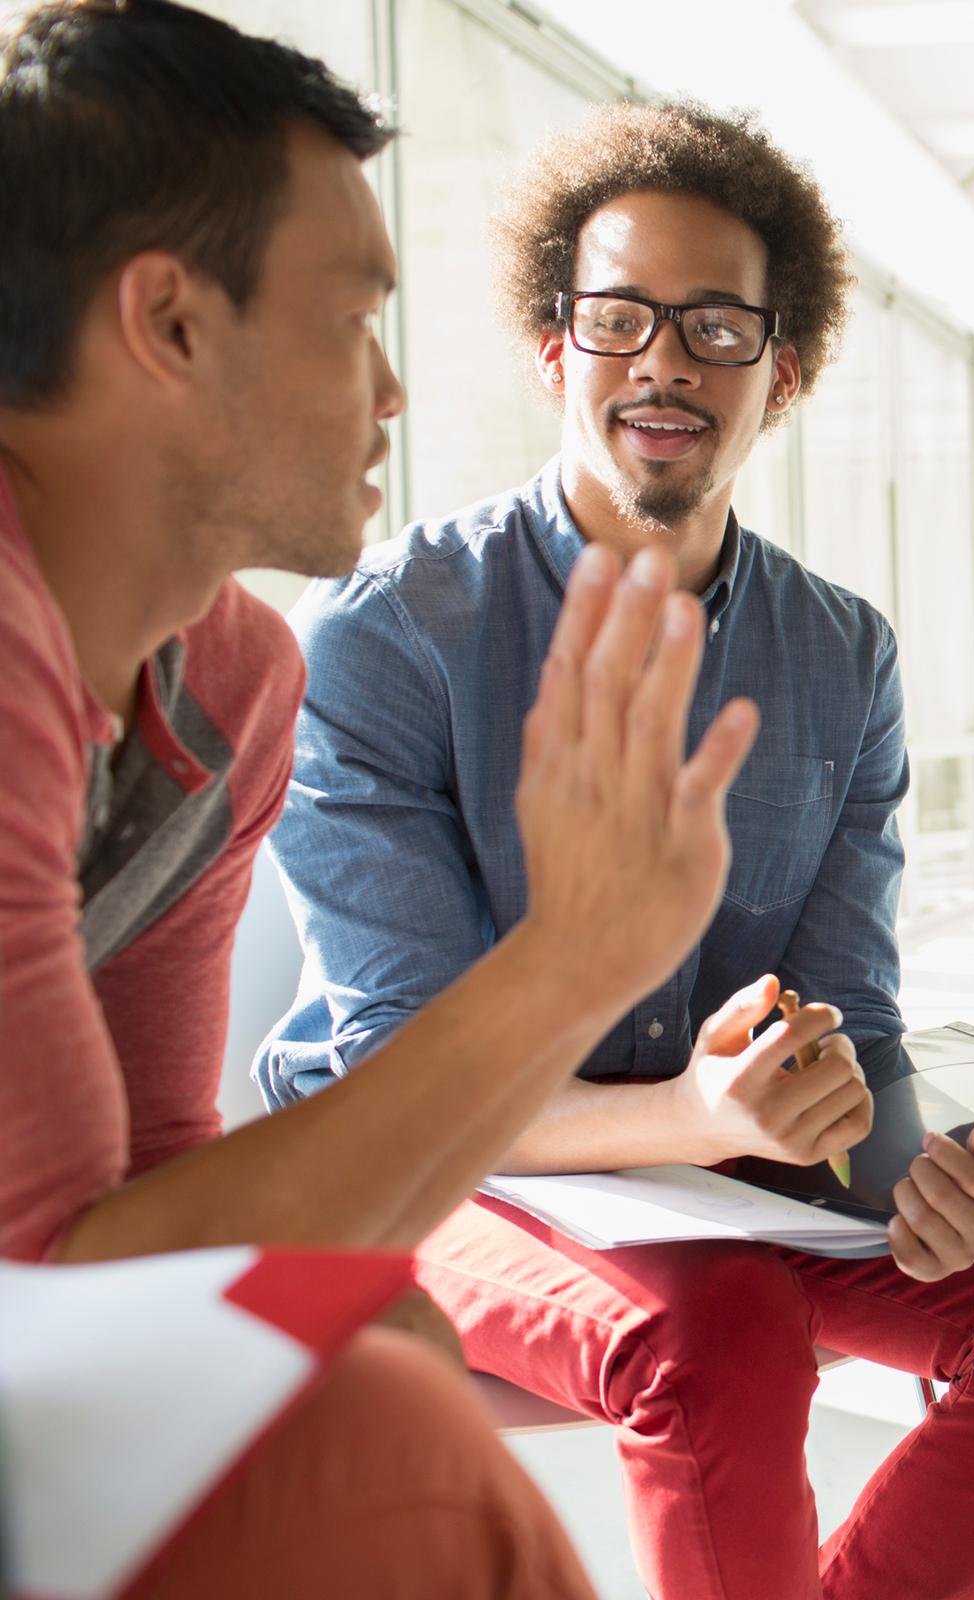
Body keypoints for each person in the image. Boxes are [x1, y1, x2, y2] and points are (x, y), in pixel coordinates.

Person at [252, 100, 974, 1600]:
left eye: (717, 326)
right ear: (556, 351)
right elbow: (408, 1083)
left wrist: (912, 1169)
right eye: (617, 318)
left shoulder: (841, 651)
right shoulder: (386, 637)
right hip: (426, 1179)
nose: (663, 358)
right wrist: (694, 1114)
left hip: (717, 1167)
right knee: (717, 1325)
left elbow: (848, 1021)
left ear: (781, 375)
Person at [0, 3, 772, 1594]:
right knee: (375, 1435)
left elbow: (158, 1186)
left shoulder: (225, 678)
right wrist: (573, 962)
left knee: (379, 1358)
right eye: (353, 317)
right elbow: (64, 1297)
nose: (392, 393)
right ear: (171, 324)